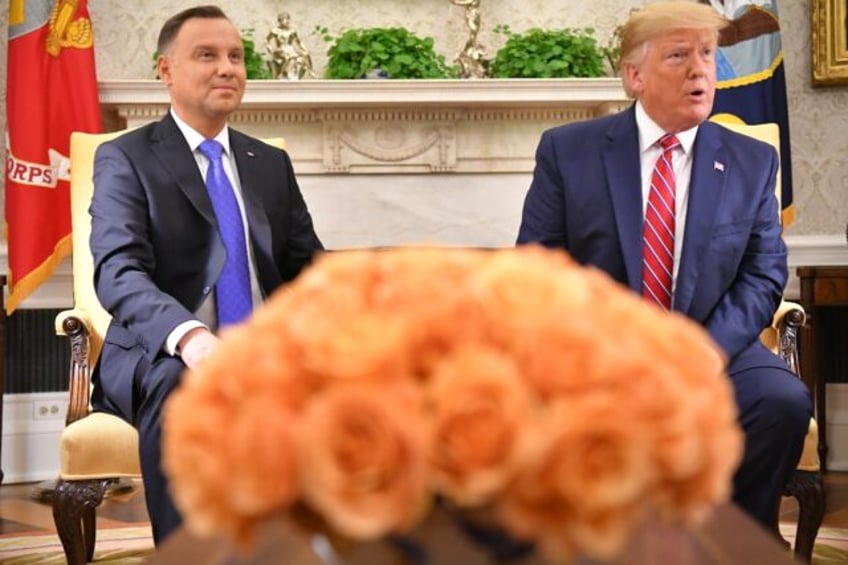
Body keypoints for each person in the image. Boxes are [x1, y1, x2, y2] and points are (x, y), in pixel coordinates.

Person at [516, 0, 810, 530]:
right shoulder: (568, 152)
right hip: (602, 350)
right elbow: (538, 267)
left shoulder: (751, 160)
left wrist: (701, 352)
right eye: (678, 55)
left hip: (710, 340)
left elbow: (764, 273)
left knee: (781, 401)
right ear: (634, 76)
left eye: (706, 53)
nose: (701, 69)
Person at [89, 5, 323, 545]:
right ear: (166, 70)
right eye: (207, 55)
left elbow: (307, 266)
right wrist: (190, 337)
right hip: (162, 352)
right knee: (180, 383)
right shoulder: (125, 158)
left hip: (263, 346)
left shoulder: (267, 162)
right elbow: (118, 270)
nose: (227, 68)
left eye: (236, 57)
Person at [265, 12, 316, 80]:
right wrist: (270, 49)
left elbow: (299, 42)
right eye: (285, 19)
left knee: (305, 54)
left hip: (290, 49)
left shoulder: (292, 31)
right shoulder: (275, 31)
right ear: (280, 21)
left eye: (288, 19)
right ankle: (283, 73)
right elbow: (266, 40)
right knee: (290, 56)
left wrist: (304, 49)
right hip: (280, 49)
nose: (287, 21)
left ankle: (311, 71)